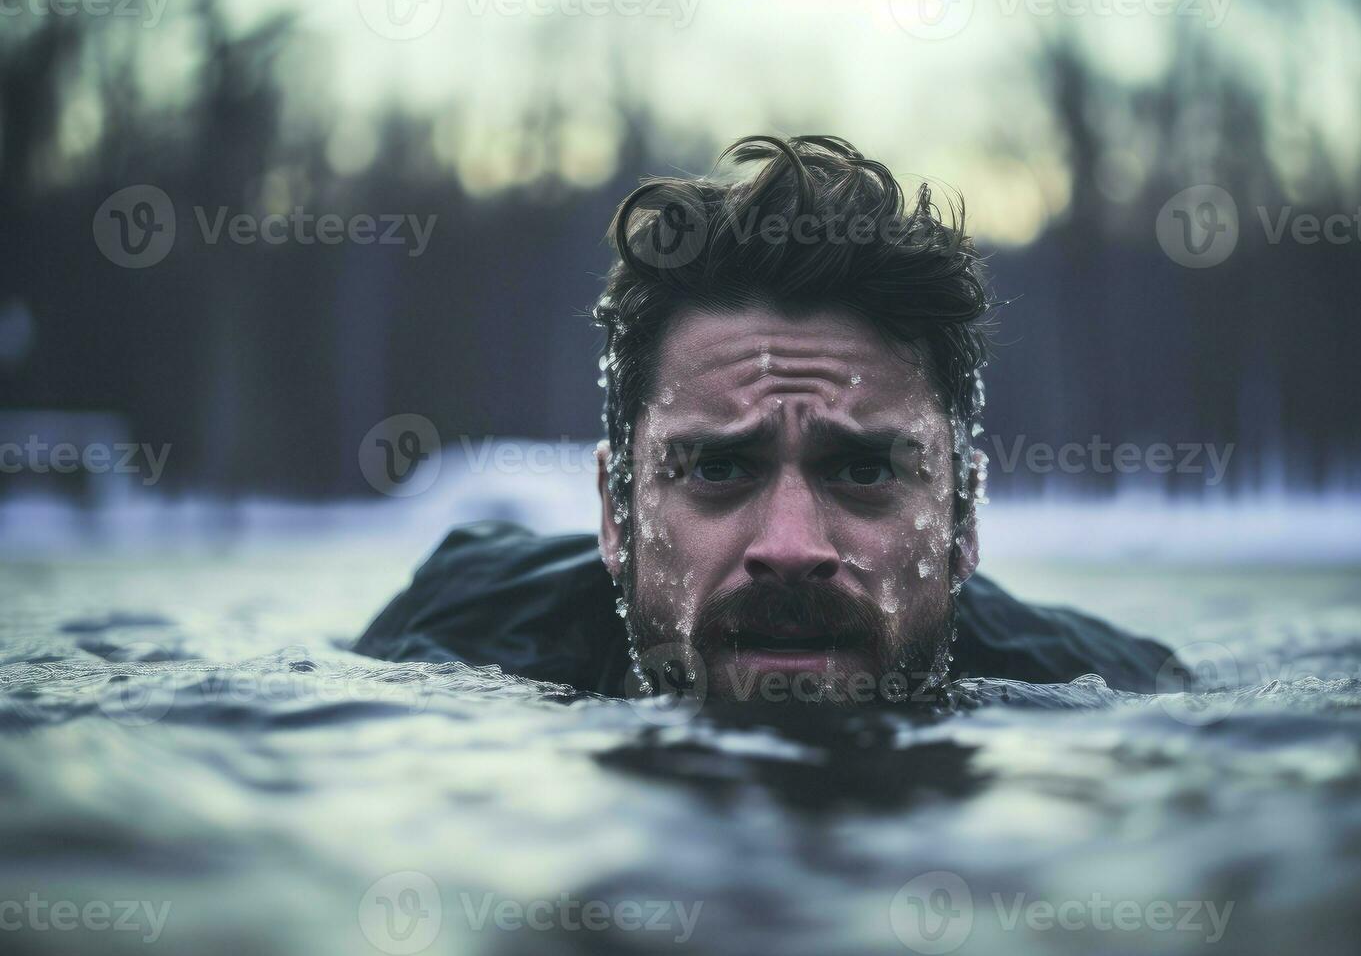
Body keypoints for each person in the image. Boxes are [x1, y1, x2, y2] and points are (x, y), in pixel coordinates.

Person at [356, 135, 1176, 706]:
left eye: (862, 469)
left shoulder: (1109, 691)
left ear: (961, 516)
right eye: (717, 467)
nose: (790, 547)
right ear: (616, 512)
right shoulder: (456, 639)